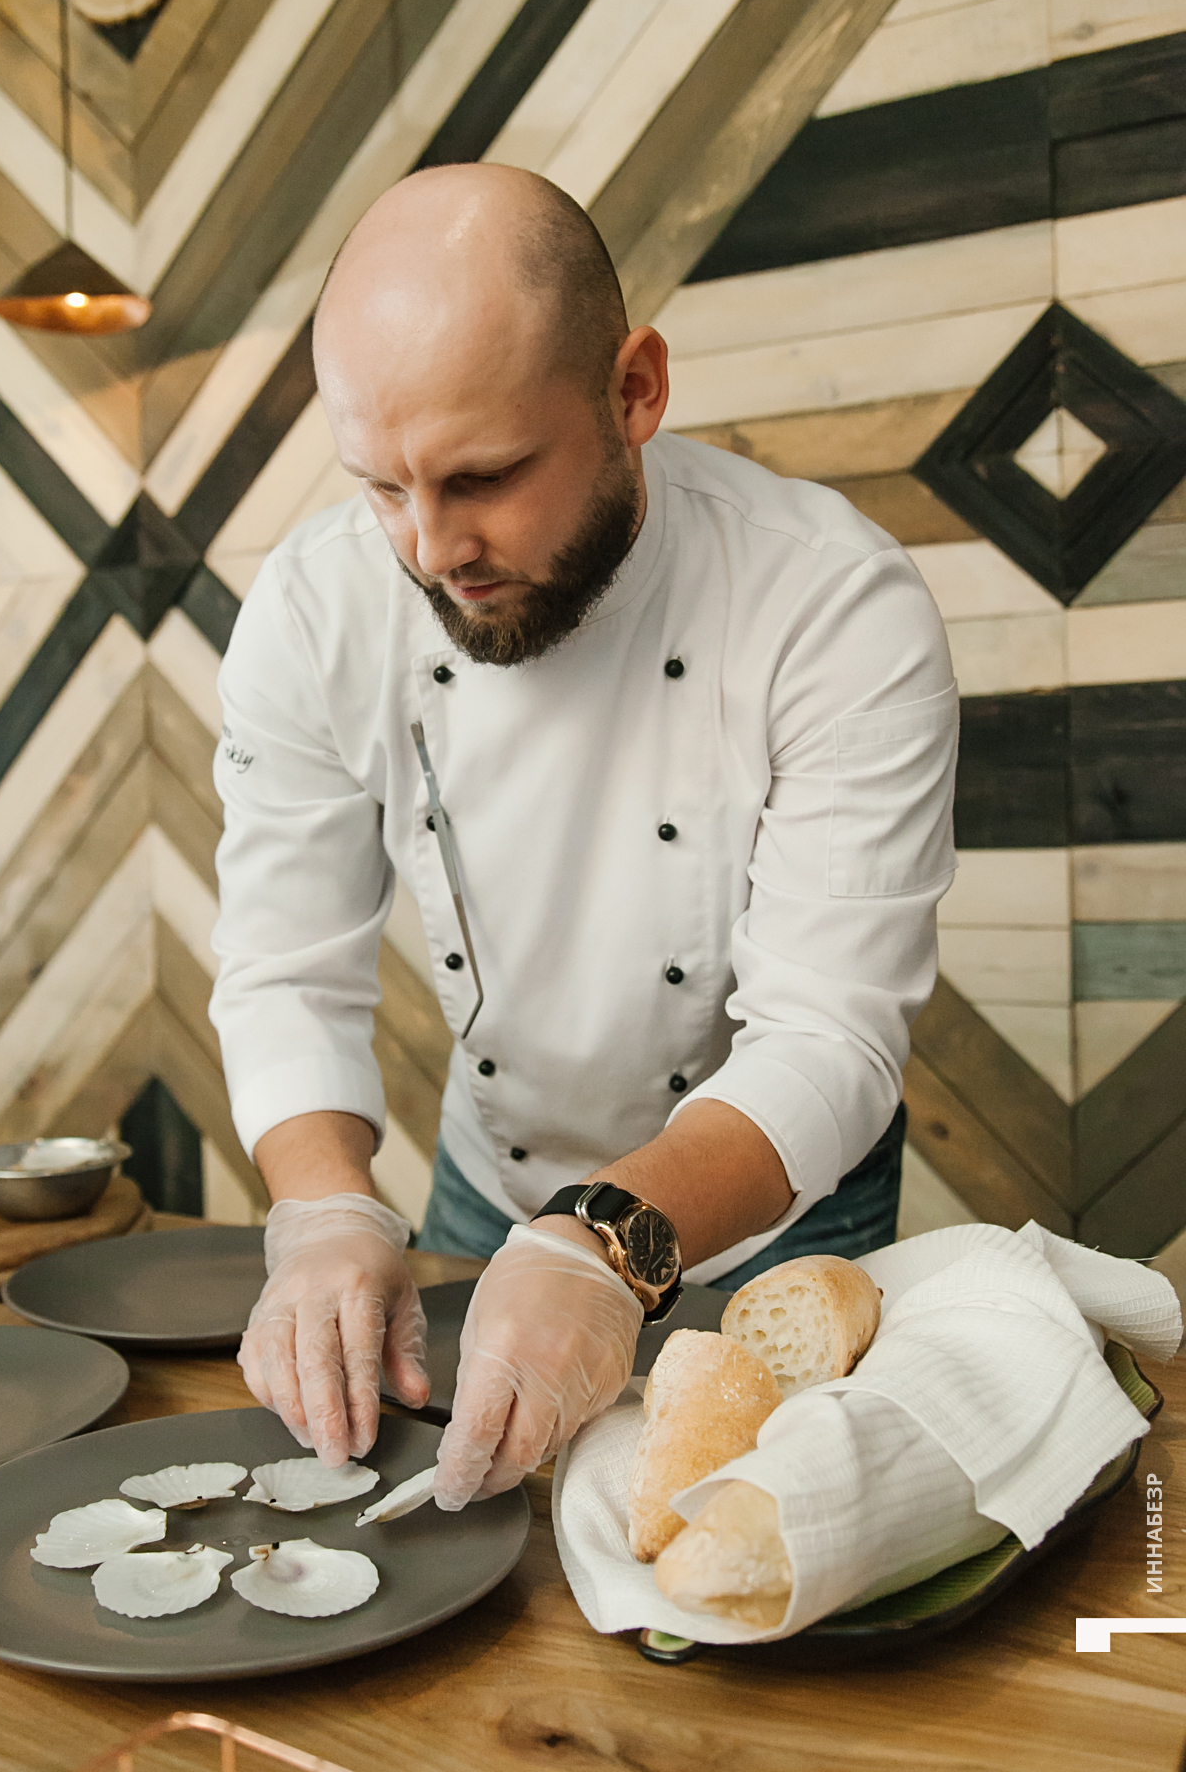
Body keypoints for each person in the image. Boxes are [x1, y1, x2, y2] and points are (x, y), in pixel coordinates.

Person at [209, 163, 958, 1513]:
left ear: (635, 391)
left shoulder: (833, 604)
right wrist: (321, 1211)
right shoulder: (315, 611)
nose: (432, 549)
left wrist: (598, 1246)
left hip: (780, 1198)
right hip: (488, 1186)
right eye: (383, 488)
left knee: (746, 1557)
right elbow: (284, 967)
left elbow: (829, 1035)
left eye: (486, 476)